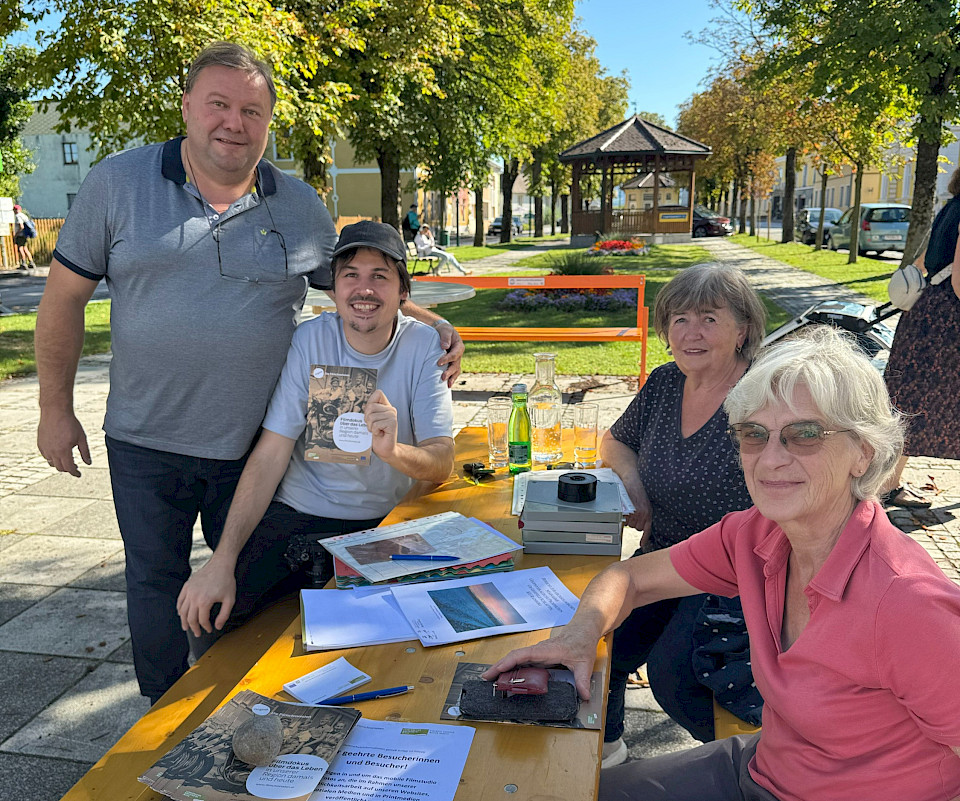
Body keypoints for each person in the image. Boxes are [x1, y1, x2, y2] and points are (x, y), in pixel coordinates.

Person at [34, 41, 463, 704]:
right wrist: (54, 409)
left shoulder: (298, 205)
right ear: (187, 106)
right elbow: (62, 299)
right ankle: (163, 718)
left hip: (252, 442)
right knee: (154, 585)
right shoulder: (117, 184)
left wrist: (430, 321)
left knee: (235, 596)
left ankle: (237, 709)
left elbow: (359, 283)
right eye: (219, 105)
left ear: (267, 123)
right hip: (146, 439)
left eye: (252, 111)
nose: (234, 123)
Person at [485, 326, 960, 801]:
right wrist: (578, 635)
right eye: (754, 434)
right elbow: (628, 577)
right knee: (559, 792)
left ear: (864, 453)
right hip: (763, 769)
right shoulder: (757, 533)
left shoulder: (907, 603)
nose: (770, 459)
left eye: (804, 435)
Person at [175, 221, 455, 645]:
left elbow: (442, 460)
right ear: (334, 288)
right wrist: (222, 560)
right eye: (350, 275)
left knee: (406, 636)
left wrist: (394, 452)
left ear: (403, 291)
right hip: (298, 514)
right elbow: (271, 452)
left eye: (380, 276)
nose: (364, 289)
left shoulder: (424, 346)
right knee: (210, 613)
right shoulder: (310, 339)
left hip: (384, 523)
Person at [598, 262, 766, 765]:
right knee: (601, 646)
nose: (691, 333)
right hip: (663, 556)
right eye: (680, 320)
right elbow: (615, 441)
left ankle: (764, 771)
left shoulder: (763, 395)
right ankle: (606, 755)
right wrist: (635, 486)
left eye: (709, 319)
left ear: (742, 330)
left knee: (677, 677)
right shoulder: (667, 382)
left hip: (735, 571)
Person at [883, 167, 960, 509]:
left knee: (908, 397)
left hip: (925, 312)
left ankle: (887, 482)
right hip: (947, 321)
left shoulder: (951, 206)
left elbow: (921, 261)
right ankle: (886, 485)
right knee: (920, 400)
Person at [13, 204, 37, 270]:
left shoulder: (18, 216)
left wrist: (16, 234)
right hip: (25, 235)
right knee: (25, 249)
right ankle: (31, 263)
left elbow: (21, 226)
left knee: (21, 248)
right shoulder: (24, 215)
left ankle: (23, 263)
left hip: (20, 235)